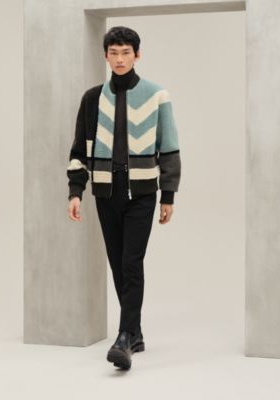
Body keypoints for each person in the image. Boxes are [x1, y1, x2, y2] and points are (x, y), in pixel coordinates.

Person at [66, 26, 181, 370]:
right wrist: (75, 191)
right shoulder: (92, 99)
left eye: (125, 53)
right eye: (113, 53)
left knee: (131, 262)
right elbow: (79, 150)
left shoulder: (156, 95)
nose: (119, 59)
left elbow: (169, 147)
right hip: (106, 191)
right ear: (106, 56)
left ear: (137, 55)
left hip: (142, 192)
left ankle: (124, 338)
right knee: (118, 264)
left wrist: (168, 194)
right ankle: (136, 332)